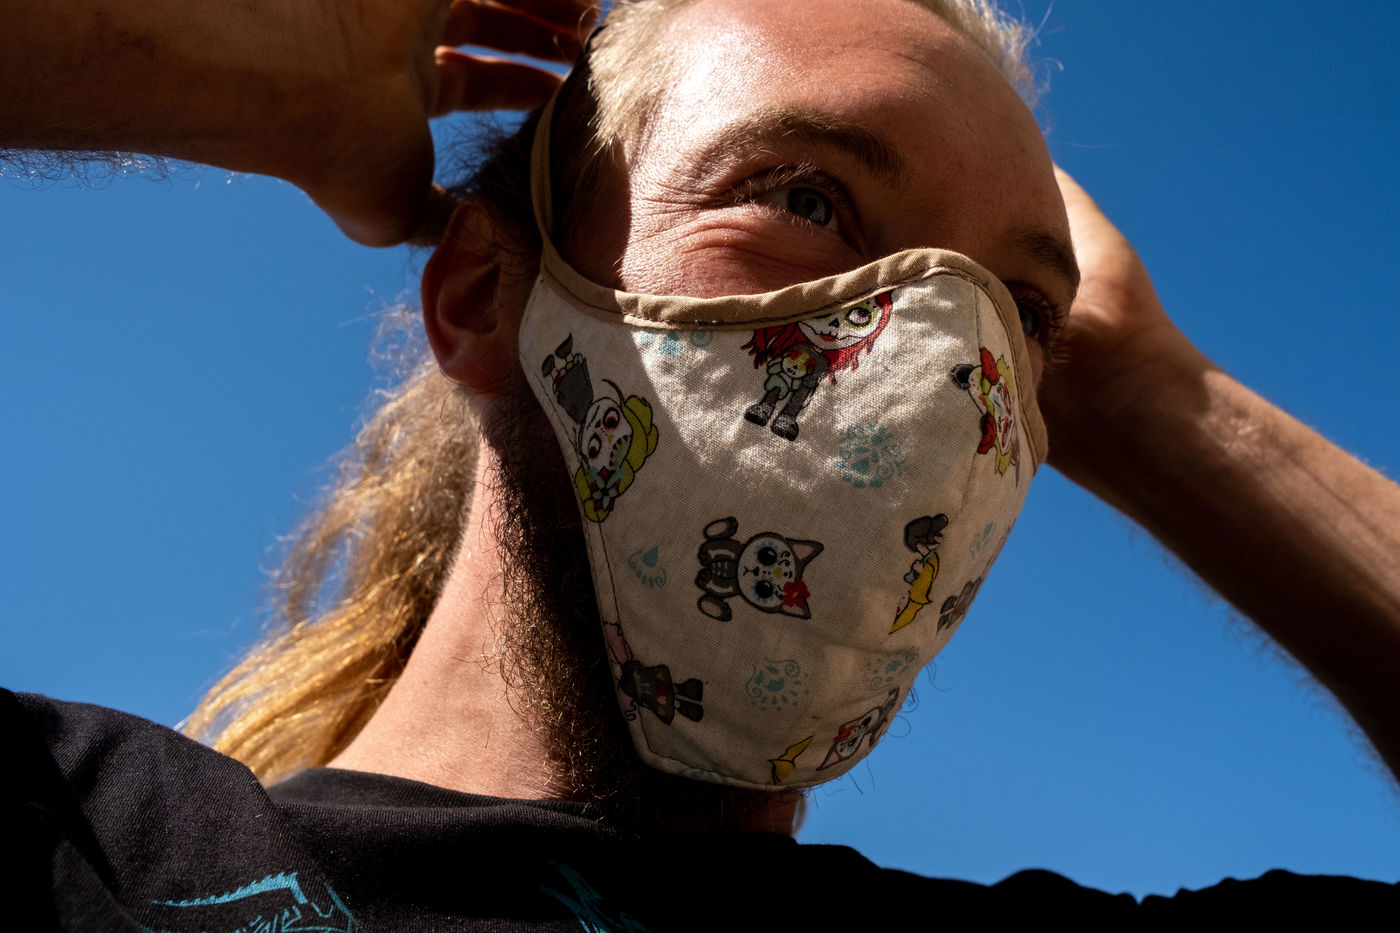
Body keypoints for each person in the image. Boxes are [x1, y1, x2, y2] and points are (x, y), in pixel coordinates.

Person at [4, 0, 1398, 926]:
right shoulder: (96, 849)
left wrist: (1154, 394)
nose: (938, 366)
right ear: (483, 295)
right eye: (806, 198)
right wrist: (185, 45)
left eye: (1019, 315)